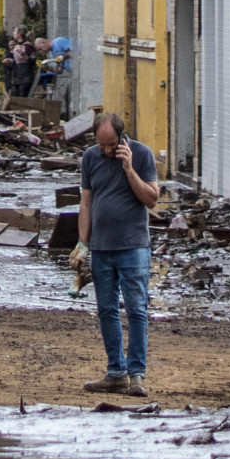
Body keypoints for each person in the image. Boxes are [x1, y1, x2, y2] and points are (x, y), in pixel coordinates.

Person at [74, 113, 159, 398]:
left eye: (111, 145)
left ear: (122, 139)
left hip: (133, 246)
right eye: (102, 145)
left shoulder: (142, 154)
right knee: (107, 310)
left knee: (136, 310)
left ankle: (136, 375)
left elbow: (151, 199)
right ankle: (115, 372)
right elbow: (86, 203)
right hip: (101, 247)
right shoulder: (90, 157)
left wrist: (129, 169)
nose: (106, 151)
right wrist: (82, 244)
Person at [8, 26, 35, 97]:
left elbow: (33, 60)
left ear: (19, 34)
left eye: (15, 31)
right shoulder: (16, 46)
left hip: (25, 76)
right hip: (17, 75)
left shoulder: (27, 46)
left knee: (23, 96)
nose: (13, 33)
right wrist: (11, 61)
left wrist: (25, 56)